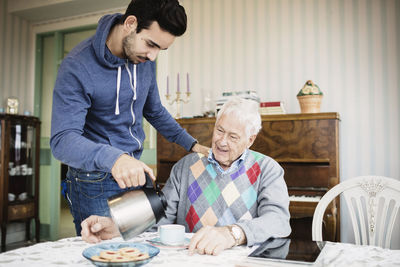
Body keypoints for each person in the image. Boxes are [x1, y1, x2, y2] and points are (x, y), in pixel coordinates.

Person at [50, 0, 209, 235]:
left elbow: (154, 110)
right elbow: (62, 140)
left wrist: (192, 144)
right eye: (151, 44)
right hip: (94, 180)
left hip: (135, 173)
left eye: (160, 50)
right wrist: (116, 159)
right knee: (108, 254)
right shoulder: (77, 66)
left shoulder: (141, 58)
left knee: (141, 249)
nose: (153, 57)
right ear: (131, 23)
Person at [81, 97, 291, 256]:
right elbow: (162, 217)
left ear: (250, 140)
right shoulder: (186, 166)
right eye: (219, 130)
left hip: (243, 262)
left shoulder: (268, 169)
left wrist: (231, 234)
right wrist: (118, 227)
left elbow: (279, 221)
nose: (222, 141)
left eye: (233, 136)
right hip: (191, 258)